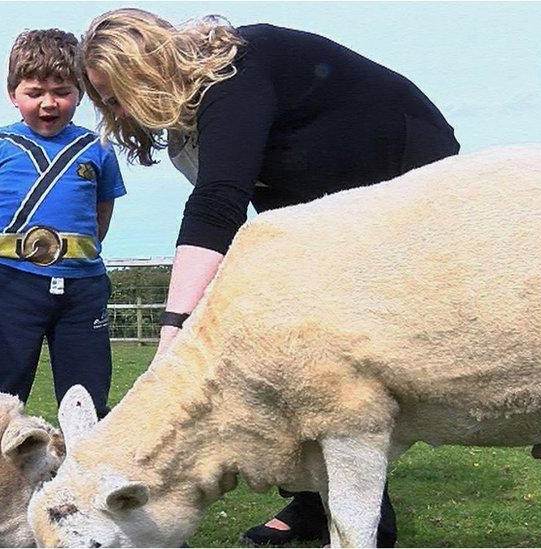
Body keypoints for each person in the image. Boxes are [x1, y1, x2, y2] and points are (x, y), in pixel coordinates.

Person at [78, 8, 459, 548]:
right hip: (313, 194)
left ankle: (349, 511)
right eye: (105, 101)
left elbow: (218, 204)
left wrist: (173, 334)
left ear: (145, 73)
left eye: (116, 95)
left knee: (333, 350)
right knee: (294, 346)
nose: (114, 112)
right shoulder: (190, 132)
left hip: (403, 167)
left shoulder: (234, 71)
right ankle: (320, 504)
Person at [0, 28, 126, 548]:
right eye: (34, 91)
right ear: (13, 92)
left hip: (83, 289)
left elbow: (101, 216)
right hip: (10, 284)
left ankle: (91, 505)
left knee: (86, 400)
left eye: (61, 90)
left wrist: (70, 260)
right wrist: (6, 270)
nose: (48, 103)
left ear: (81, 90)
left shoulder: (97, 147)